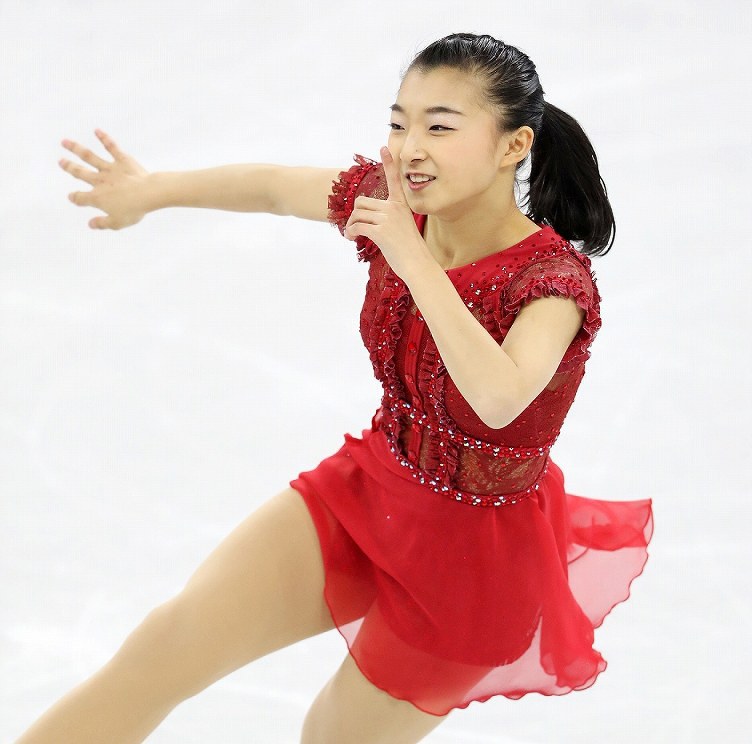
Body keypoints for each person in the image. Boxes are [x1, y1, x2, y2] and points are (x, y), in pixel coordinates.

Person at [18, 32, 654, 744]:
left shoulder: (552, 284)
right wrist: (151, 191)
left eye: (439, 127)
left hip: (476, 567)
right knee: (166, 645)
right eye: (398, 122)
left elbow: (500, 397)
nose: (410, 146)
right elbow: (270, 187)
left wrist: (415, 262)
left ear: (513, 146)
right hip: (374, 489)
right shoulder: (392, 208)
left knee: (331, 738)